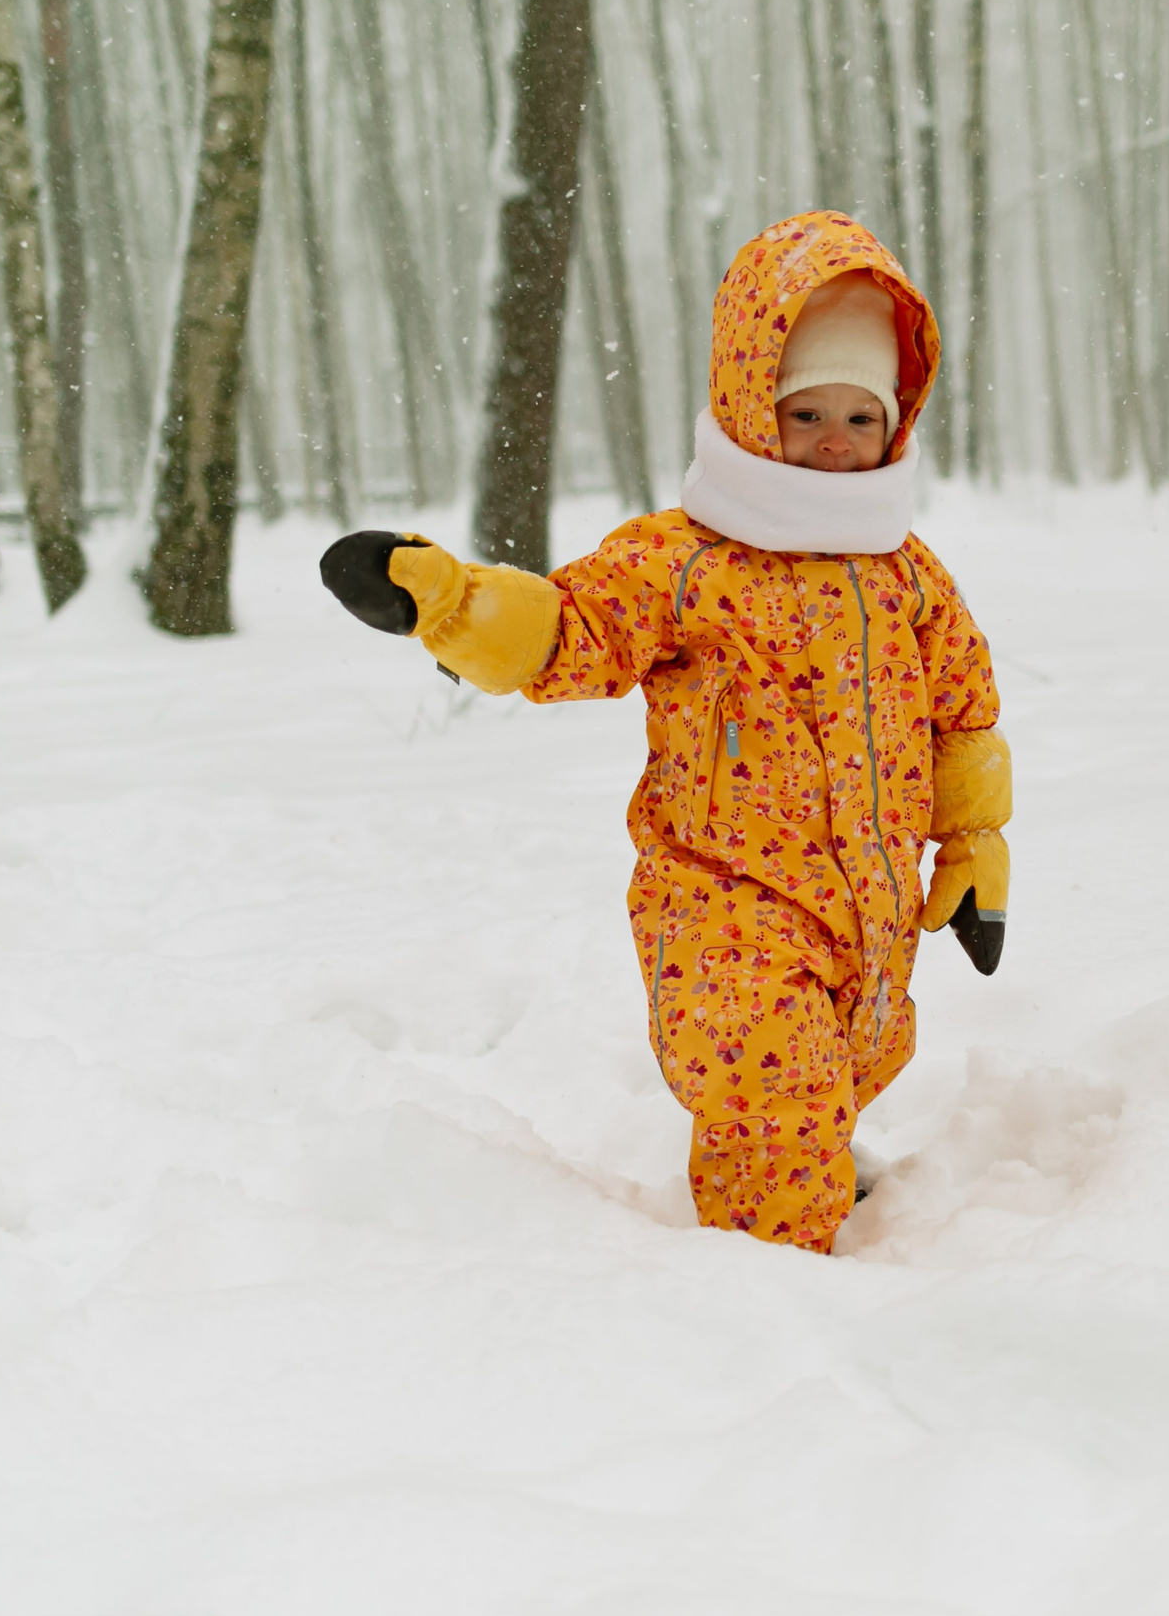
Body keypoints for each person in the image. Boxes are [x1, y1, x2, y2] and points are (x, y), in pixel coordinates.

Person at [319, 211, 1010, 1254]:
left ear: (897, 426)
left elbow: (961, 717)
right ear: (746, 410)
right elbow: (572, 630)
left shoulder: (908, 577)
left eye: (860, 419)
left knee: (844, 1066)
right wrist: (453, 604)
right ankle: (773, 1293)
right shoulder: (688, 562)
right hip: (723, 907)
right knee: (771, 1083)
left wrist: (972, 848)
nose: (833, 441)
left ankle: (816, 1172)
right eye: (804, 411)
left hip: (867, 911)